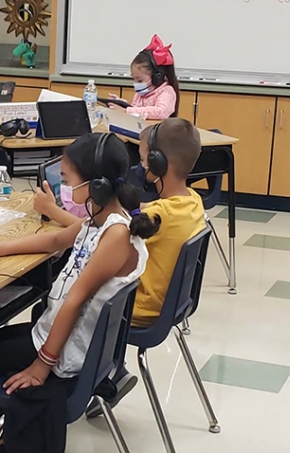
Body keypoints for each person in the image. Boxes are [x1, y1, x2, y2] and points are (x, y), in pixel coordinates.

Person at [0, 133, 159, 449]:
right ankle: (12, 429)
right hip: (57, 338)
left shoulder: (115, 235)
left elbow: (75, 301)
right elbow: (55, 241)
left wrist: (42, 365)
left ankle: (13, 432)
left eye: (66, 179)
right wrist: (1, 248)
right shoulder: (100, 220)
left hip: (62, 354)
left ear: (96, 185)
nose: (64, 189)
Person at [97, 118, 206, 410]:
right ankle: (108, 370)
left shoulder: (160, 215)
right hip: (169, 307)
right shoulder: (192, 201)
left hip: (137, 311)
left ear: (159, 163)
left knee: (60, 299)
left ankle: (97, 378)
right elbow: (151, 214)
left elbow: (105, 236)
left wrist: (54, 212)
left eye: (145, 161)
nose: (142, 167)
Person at [105, 34, 180, 120]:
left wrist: (126, 111)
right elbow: (138, 110)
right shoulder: (141, 93)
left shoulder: (166, 92)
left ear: (157, 77)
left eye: (140, 80)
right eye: (134, 80)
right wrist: (122, 103)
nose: (136, 84)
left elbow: (161, 112)